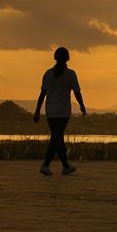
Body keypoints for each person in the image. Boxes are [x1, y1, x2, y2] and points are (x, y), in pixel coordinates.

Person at [34, 47, 86, 175]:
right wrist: (82, 105)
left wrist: (37, 111)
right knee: (56, 138)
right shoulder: (70, 74)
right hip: (63, 112)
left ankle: (65, 166)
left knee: (57, 138)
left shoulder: (47, 74)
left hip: (50, 112)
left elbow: (42, 95)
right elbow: (77, 92)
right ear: (67, 58)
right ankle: (46, 165)